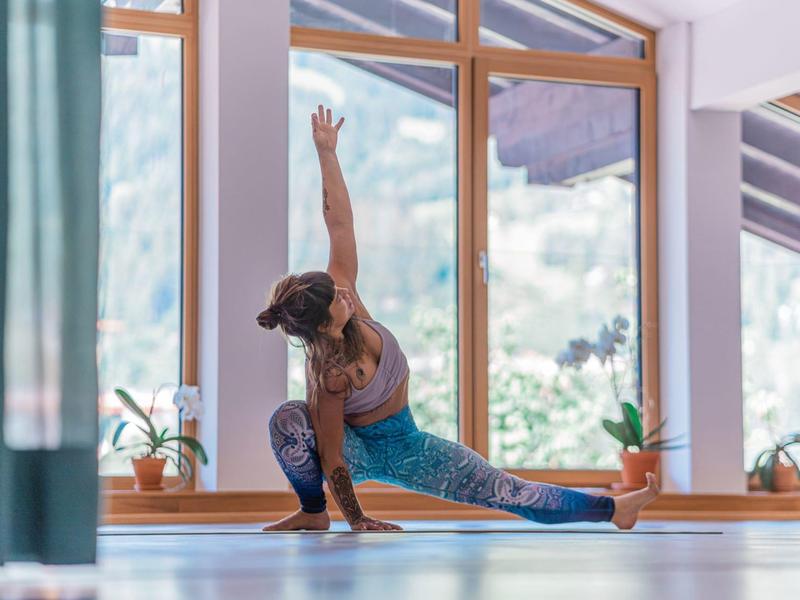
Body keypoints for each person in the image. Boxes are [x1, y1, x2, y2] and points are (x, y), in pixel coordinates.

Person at [257, 104, 659, 532]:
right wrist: (357, 520)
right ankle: (314, 512)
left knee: (504, 488)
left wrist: (327, 152)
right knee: (287, 419)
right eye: (335, 298)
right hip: (356, 450)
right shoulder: (329, 374)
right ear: (323, 326)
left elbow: (340, 225)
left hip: (409, 446)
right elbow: (334, 457)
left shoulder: (346, 297)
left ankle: (615, 510)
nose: (343, 292)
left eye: (337, 287)